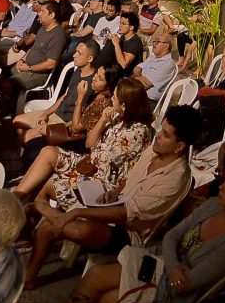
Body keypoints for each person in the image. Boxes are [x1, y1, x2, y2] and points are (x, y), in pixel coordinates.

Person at [49, 158, 225, 303]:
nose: (221, 187)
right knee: (95, 275)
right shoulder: (213, 205)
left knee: (103, 301)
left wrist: (168, 269)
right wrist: (173, 267)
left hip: (170, 301)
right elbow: (172, 235)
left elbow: (184, 285)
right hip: (160, 266)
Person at [25, 106, 202, 291]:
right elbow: (131, 176)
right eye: (160, 130)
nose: (158, 136)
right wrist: (115, 192)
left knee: (48, 227)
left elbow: (125, 214)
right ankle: (39, 213)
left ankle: (30, 272)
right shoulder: (156, 150)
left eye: (165, 134)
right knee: (50, 186)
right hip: (116, 203)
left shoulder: (174, 180)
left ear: (179, 146)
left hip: (127, 231)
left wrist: (77, 212)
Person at [13, 78, 154, 210]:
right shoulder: (117, 117)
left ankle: (21, 207)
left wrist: (69, 170)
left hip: (102, 180)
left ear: (123, 106)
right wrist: (102, 121)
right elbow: (89, 144)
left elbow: (105, 160)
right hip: (90, 164)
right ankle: (15, 199)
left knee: (46, 183)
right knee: (48, 152)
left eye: (115, 98)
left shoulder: (138, 133)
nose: (111, 99)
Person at [14, 42, 101, 141]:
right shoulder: (78, 71)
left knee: (26, 137)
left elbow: (83, 118)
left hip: (65, 122)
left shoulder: (93, 84)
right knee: (17, 121)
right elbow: (66, 95)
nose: (74, 55)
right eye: (75, 51)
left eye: (79, 53)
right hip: (57, 113)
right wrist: (46, 113)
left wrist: (54, 129)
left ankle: (35, 144)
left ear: (90, 59)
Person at [2, 0, 67, 113]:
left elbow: (50, 64)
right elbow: (33, 48)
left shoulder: (58, 36)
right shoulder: (42, 29)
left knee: (9, 84)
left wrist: (28, 68)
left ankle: (14, 112)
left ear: (52, 15)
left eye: (42, 11)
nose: (38, 13)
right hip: (27, 66)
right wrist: (22, 60)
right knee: (2, 73)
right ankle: (9, 104)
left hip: (39, 73)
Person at [133, 31, 178, 102]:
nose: (154, 44)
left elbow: (146, 84)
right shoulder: (152, 57)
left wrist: (136, 78)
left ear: (166, 46)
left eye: (157, 42)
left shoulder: (168, 65)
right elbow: (136, 69)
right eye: (154, 41)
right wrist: (141, 78)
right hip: (138, 91)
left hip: (148, 99)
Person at [98, 10, 143, 76]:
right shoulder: (123, 37)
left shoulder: (135, 42)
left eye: (123, 24)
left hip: (125, 75)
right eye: (120, 23)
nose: (120, 26)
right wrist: (109, 39)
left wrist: (116, 43)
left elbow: (123, 65)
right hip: (114, 69)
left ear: (131, 27)